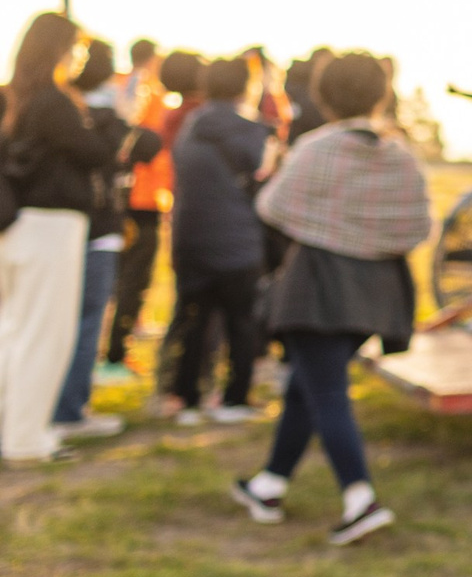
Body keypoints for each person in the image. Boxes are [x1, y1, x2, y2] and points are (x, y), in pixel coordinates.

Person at [232, 53, 428, 544]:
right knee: (308, 384)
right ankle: (269, 484)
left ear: (323, 95)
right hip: (377, 294)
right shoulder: (400, 155)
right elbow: (418, 227)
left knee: (326, 393)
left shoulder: (317, 148)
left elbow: (271, 207)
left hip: (317, 286)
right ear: (380, 93)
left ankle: (360, 499)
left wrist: (328, 225)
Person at [1, 14, 124, 465]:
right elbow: (96, 154)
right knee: (42, 335)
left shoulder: (17, 97)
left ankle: (15, 430)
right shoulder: (53, 102)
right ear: (57, 49)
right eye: (75, 49)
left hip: (20, 227)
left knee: (15, 331)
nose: (78, 59)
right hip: (49, 227)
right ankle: (26, 440)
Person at [51, 42, 155, 442]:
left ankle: (51, 404)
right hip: (94, 227)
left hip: (64, 228)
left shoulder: (55, 106)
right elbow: (146, 147)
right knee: (86, 319)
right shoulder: (103, 118)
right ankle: (69, 409)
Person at [167, 57, 271, 424]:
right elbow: (265, 186)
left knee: (194, 322)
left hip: (190, 238)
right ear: (247, 86)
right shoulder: (254, 133)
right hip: (238, 240)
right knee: (241, 323)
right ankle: (234, 398)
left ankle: (187, 398)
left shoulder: (190, 128)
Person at [110, 50, 195, 382]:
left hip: (133, 196)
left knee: (126, 278)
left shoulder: (122, 86)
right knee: (133, 279)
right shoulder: (147, 93)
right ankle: (116, 352)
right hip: (142, 198)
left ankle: (118, 347)